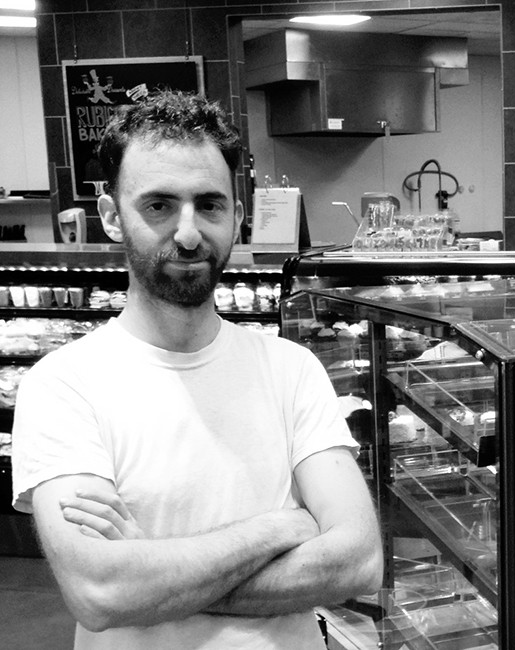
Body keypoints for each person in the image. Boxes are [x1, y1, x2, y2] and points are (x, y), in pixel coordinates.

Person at [11, 90, 383, 649]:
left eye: (209, 205)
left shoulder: (291, 368)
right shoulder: (63, 386)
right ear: (112, 217)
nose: (189, 234)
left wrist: (157, 575)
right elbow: (102, 592)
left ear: (237, 213)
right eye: (158, 205)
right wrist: (281, 527)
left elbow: (359, 562)